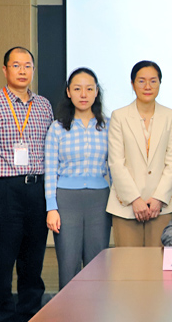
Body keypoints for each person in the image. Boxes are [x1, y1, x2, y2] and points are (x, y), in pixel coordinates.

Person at [0, 47, 54, 322]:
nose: (22, 70)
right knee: (2, 262)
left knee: (33, 261)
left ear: (33, 70)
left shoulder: (44, 105)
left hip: (37, 189)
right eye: (16, 65)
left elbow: (51, 151)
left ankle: (31, 314)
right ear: (5, 69)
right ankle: (2, 317)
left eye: (27, 65)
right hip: (3, 190)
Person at [44, 68, 111, 288]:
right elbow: (50, 170)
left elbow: (114, 167)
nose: (83, 94)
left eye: (89, 89)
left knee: (97, 264)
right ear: (68, 92)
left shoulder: (108, 126)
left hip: (99, 201)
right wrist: (51, 208)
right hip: (66, 201)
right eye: (77, 89)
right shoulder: (57, 128)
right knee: (68, 263)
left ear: (96, 92)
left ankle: (96, 308)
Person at [107, 61, 172, 247]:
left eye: (153, 81)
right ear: (132, 84)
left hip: (160, 206)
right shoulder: (119, 116)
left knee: (159, 261)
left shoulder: (170, 116)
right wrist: (135, 199)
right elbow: (116, 162)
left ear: (160, 83)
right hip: (126, 206)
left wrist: (158, 198)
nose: (148, 86)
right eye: (141, 81)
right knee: (128, 262)